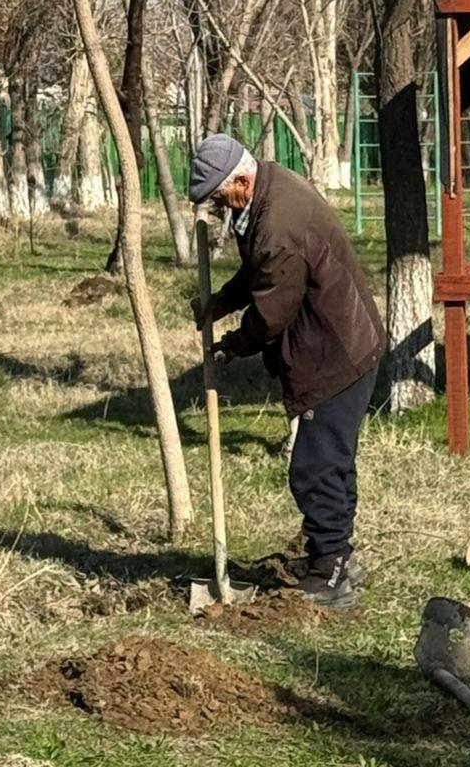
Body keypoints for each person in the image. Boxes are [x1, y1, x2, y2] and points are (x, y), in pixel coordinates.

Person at [188, 133, 384, 611]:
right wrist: (222, 301)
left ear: (241, 179)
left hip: (333, 355)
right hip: (345, 343)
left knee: (315, 468)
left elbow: (272, 311)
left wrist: (233, 345)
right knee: (333, 462)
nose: (218, 207)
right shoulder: (271, 187)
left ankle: (330, 571)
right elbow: (260, 270)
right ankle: (338, 558)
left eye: (220, 197)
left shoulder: (278, 223)